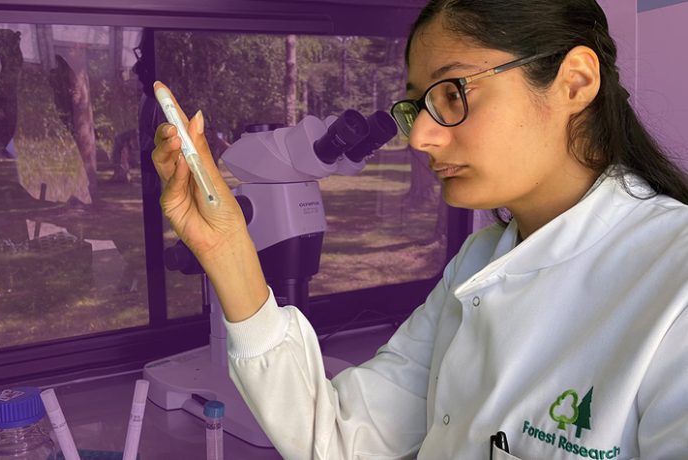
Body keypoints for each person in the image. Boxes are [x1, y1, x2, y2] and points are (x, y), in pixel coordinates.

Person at [151, 0, 688, 458]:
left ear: (575, 82)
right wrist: (224, 247)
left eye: (452, 93)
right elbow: (340, 438)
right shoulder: (478, 264)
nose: (420, 137)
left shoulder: (674, 283)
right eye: (417, 106)